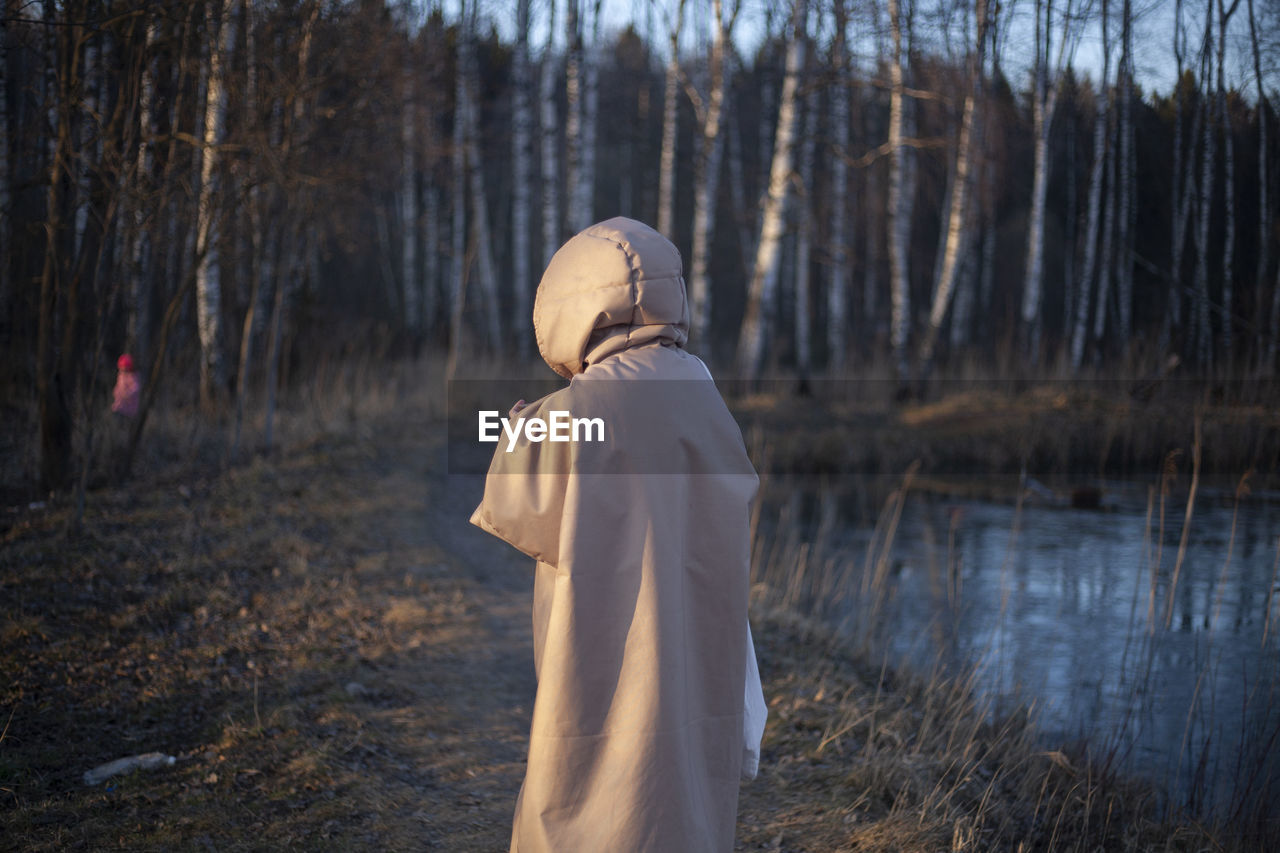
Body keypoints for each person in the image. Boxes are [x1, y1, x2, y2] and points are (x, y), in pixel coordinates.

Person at [470, 217, 765, 852]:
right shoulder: (702, 388)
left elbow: (513, 503)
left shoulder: (580, 408)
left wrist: (516, 424)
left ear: (573, 305)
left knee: (589, 777)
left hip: (603, 634)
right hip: (695, 634)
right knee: (685, 781)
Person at [112, 353, 141, 417]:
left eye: (125, 369)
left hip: (129, 407)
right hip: (119, 405)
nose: (123, 371)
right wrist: (116, 392)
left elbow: (136, 388)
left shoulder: (133, 377)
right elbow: (118, 386)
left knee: (125, 421)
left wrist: (128, 394)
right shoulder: (120, 376)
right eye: (121, 368)